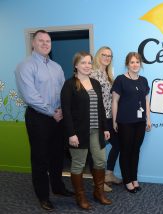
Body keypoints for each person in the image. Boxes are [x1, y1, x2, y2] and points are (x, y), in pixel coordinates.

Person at [15, 29, 73, 212]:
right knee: (40, 159)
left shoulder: (56, 67)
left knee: (58, 156)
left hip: (58, 116)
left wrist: (62, 110)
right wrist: (51, 112)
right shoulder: (25, 66)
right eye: (41, 40)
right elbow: (30, 96)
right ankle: (43, 196)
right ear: (33, 43)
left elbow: (64, 91)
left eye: (48, 41)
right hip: (39, 117)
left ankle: (58, 187)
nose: (45, 44)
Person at [60, 51, 112, 209]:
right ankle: (80, 196)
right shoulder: (69, 84)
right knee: (78, 164)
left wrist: (105, 128)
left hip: (96, 130)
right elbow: (66, 111)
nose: (87, 65)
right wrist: (71, 133)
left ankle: (99, 192)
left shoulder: (95, 83)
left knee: (101, 160)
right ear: (76, 65)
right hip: (78, 132)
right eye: (83, 62)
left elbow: (101, 108)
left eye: (89, 62)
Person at [111, 52, 151, 193]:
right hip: (125, 122)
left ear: (140, 64)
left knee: (136, 151)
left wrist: (148, 119)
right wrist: (115, 120)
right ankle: (127, 180)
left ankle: (134, 178)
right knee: (126, 151)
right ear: (127, 64)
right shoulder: (120, 80)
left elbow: (146, 101)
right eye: (132, 62)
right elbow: (114, 101)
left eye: (137, 62)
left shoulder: (144, 80)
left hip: (140, 122)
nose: (135, 65)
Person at [90, 46, 122, 192]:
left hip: (109, 117)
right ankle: (98, 181)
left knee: (118, 145)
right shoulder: (92, 73)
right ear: (98, 56)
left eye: (110, 56)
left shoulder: (109, 74)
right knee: (98, 150)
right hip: (98, 118)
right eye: (104, 54)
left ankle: (108, 174)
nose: (107, 57)